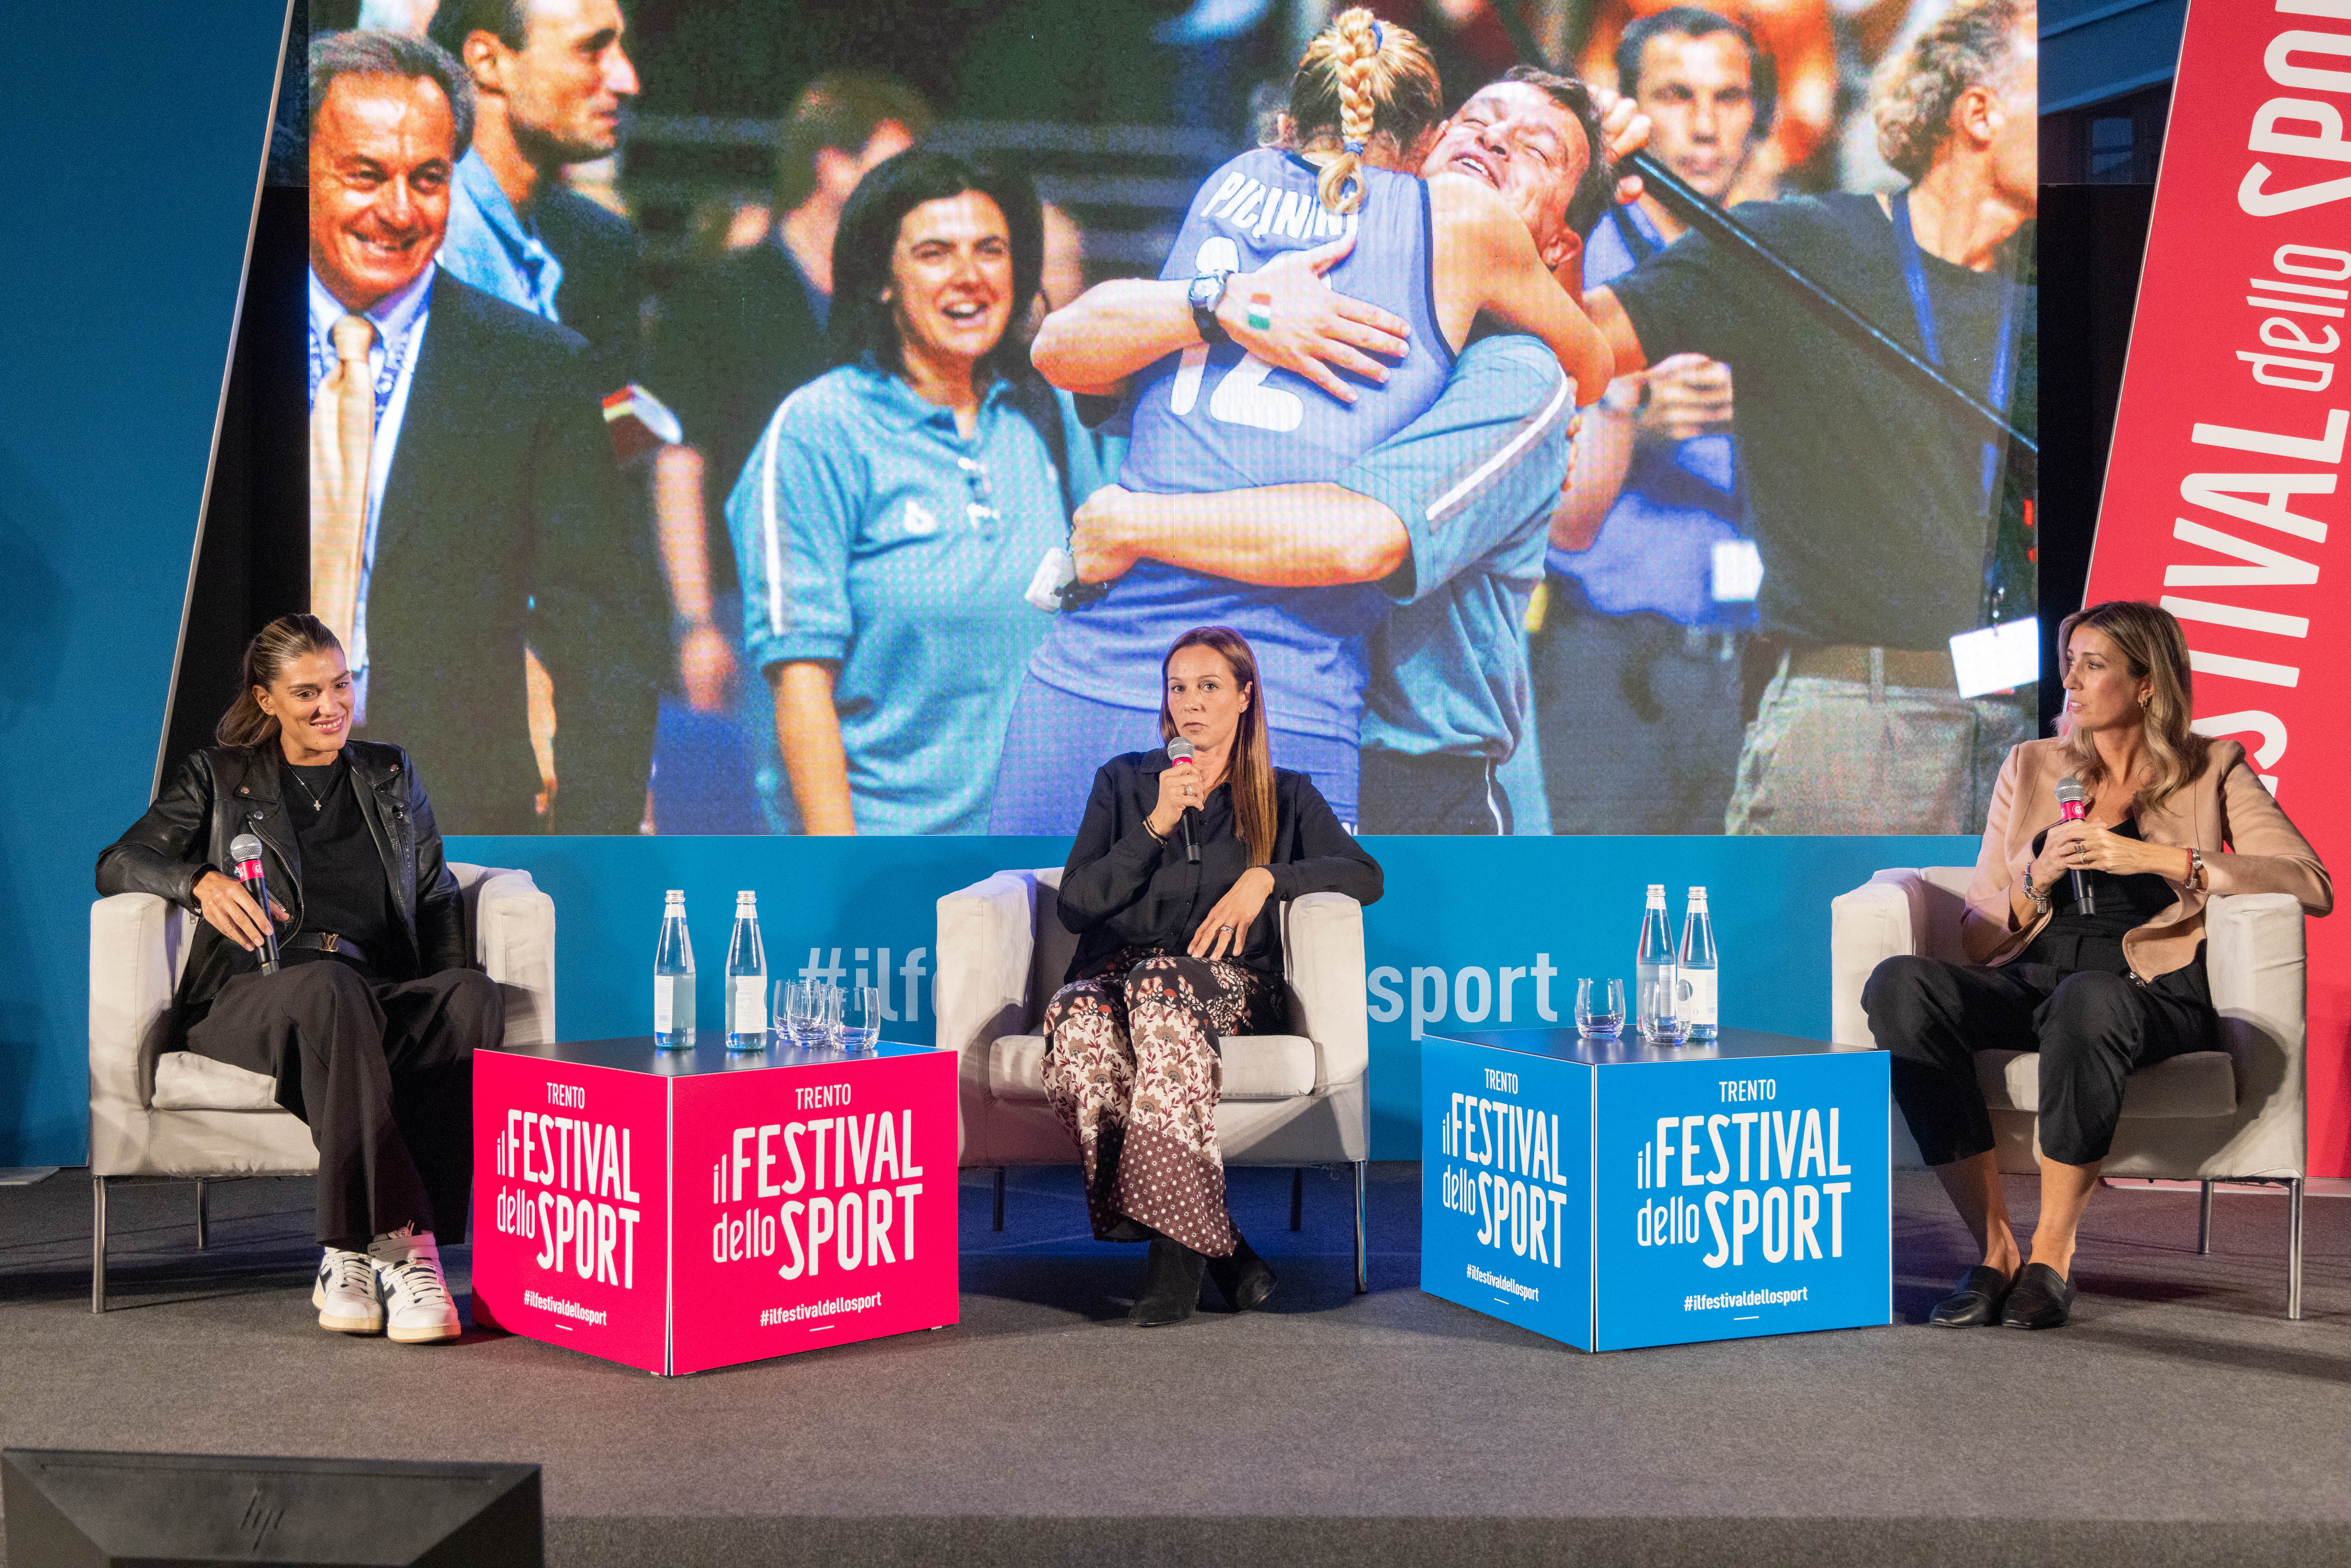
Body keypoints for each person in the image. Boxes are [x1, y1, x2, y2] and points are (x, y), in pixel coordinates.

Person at [1005, 10, 1614, 832]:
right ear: (1427, 140)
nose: (1496, 143)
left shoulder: (1237, 181)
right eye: (1479, 122)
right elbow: (1592, 357)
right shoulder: (1439, 236)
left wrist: (1137, 518)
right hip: (1276, 698)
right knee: (1226, 964)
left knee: (1046, 956)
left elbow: (1055, 346)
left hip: (1118, 681)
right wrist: (1218, 307)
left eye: (1536, 149)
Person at [1582, 0, 2038, 834]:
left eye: (1727, 98)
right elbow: (1573, 343)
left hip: (2023, 734)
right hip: (1842, 726)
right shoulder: (1799, 248)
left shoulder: (2043, 300)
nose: (1704, 125)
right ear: (1977, 111)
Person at [1863, 602, 2331, 1330]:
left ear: (2146, 683)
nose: (2069, 683)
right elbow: (1980, 939)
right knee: (1899, 985)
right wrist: (2035, 872)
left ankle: (2050, 1254)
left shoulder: (2213, 766)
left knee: (2089, 998)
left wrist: (2158, 859)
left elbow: (2309, 882)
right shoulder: (2030, 767)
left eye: (2092, 665)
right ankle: (1993, 1250)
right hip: (2033, 979)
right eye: (2067, 663)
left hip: (2147, 991)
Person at [96, 616, 503, 1343]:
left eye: (341, 685)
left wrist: (438, 990)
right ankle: (396, 1244)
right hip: (255, 993)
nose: (331, 706)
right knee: (326, 988)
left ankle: (364, 1253)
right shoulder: (218, 776)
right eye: (307, 692)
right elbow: (117, 861)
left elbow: (436, 892)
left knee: (471, 996)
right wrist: (198, 881)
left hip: (367, 989)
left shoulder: (389, 774)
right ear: (267, 699)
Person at [305, 30, 662, 833]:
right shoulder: (218, 345)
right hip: (239, 824)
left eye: (428, 179)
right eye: (365, 175)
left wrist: (587, 861)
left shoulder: (536, 370)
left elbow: (603, 639)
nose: (399, 210)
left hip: (454, 829)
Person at [1046, 627, 1382, 1324]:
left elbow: (1364, 874)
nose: (1190, 704)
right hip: (1124, 975)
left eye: (1208, 687)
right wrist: (1154, 825)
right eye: (1177, 688)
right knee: (1076, 1015)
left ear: (1244, 697)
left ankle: (1173, 1261)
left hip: (1228, 988)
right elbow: (1077, 903)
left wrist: (1268, 877)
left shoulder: (1284, 795)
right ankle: (1218, 1246)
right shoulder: (1123, 782)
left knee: (1162, 987)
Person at [725, 151, 1064, 834]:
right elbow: (800, 687)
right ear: (883, 281)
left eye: (990, 250)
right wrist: (848, 882)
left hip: (1036, 870)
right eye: (935, 253)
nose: (970, 277)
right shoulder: (820, 430)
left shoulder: (1046, 416)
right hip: (884, 868)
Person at [1536, 8, 1768, 835]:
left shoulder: (1783, 256)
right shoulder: (1575, 251)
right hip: (1602, 657)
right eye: (1674, 96)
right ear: (1632, 110)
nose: (1704, 126)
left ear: (1756, 114)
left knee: (1742, 928)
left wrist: (1778, 406)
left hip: (1752, 662)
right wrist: (1631, 420)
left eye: (1729, 97)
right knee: (1598, 918)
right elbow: (1518, 470)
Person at [653, 74, 932, 712]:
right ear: (833, 167)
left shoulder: (894, 302)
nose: (912, 195)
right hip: (745, 612)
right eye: (895, 169)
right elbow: (677, 463)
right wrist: (696, 624)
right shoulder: (717, 297)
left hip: (874, 615)